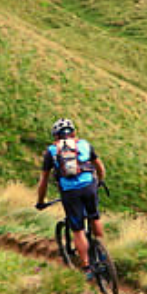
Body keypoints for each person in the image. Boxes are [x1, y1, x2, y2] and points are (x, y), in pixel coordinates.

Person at [34, 118, 106, 276]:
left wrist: (40, 201)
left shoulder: (51, 151)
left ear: (55, 136)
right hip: (89, 187)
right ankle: (103, 253)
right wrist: (100, 181)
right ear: (73, 133)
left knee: (78, 229)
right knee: (94, 217)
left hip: (70, 192)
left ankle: (87, 266)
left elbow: (44, 181)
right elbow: (99, 167)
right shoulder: (85, 144)